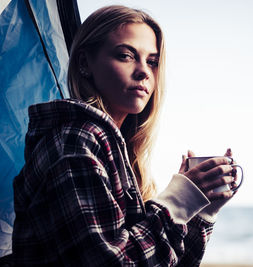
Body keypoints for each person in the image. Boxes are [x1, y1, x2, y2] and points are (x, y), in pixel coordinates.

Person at [12, 5, 239, 266]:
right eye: (126, 56)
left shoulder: (118, 151)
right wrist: (178, 202)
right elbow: (109, 262)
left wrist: (201, 209)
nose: (144, 71)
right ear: (85, 63)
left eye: (152, 62)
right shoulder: (76, 140)